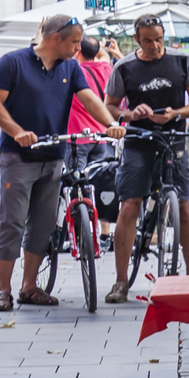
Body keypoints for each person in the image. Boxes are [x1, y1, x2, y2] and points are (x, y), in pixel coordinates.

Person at [0, 14, 127, 310]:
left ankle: (29, 286)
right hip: (18, 156)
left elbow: (89, 98)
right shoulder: (13, 63)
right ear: (55, 39)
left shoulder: (71, 68)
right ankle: (3, 290)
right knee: (11, 222)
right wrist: (17, 131)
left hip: (52, 156)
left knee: (43, 224)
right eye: (74, 42)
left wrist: (110, 123)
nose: (78, 47)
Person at [104, 13, 189, 300]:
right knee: (129, 206)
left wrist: (176, 113)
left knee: (183, 207)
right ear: (136, 39)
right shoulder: (124, 66)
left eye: (159, 39)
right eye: (148, 41)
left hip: (174, 140)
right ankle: (121, 281)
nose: (155, 46)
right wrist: (129, 114)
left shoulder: (182, 60)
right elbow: (109, 106)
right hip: (138, 141)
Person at [68, 36, 117, 249]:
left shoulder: (74, 71)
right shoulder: (106, 69)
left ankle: (80, 233)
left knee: (77, 185)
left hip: (78, 137)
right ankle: (104, 233)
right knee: (101, 183)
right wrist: (107, 50)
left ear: (78, 51)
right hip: (102, 135)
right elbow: (104, 57)